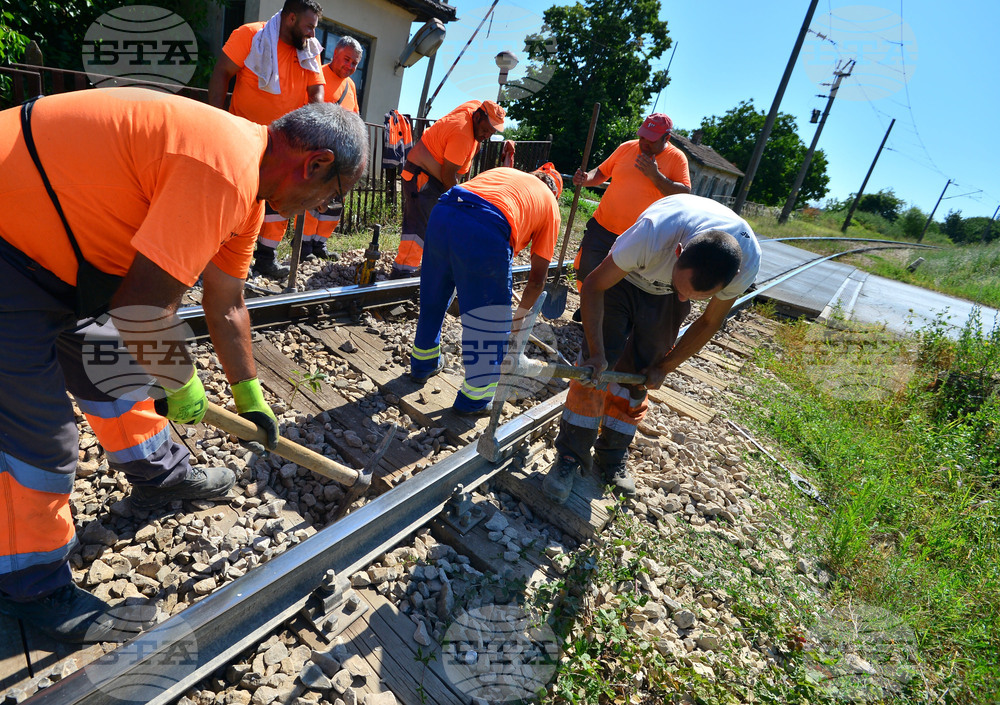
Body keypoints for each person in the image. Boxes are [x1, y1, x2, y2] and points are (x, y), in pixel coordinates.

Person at [0, 87, 367, 643]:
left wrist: (249, 395)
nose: (320, 209)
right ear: (315, 163)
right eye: (331, 195)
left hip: (57, 255)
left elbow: (228, 303)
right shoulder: (222, 168)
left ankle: (159, 475)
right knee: (37, 440)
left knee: (111, 363)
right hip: (11, 249)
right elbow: (142, 308)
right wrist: (181, 380)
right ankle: (30, 585)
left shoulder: (249, 189)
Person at [541, 194, 761, 503]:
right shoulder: (653, 233)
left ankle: (612, 453)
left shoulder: (746, 263)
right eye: (682, 289)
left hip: (663, 294)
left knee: (642, 374)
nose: (684, 301)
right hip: (623, 278)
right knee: (594, 370)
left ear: (733, 279)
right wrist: (597, 353)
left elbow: (709, 321)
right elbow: (594, 285)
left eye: (693, 298)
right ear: (678, 252)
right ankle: (569, 455)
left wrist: (665, 366)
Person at [409, 164, 562, 415]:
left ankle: (422, 363)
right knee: (488, 323)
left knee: (434, 296)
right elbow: (537, 280)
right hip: (486, 225)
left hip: (444, 210)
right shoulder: (550, 204)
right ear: (555, 193)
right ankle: (475, 399)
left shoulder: (504, 173)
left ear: (535, 175)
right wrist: (517, 321)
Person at [208, 0, 327, 279]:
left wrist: (314, 133)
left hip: (283, 143)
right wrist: (215, 121)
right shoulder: (251, 35)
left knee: (277, 201)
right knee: (234, 198)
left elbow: (316, 94)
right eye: (309, 26)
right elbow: (222, 72)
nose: (312, 34)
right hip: (242, 135)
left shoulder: (309, 50)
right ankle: (214, 257)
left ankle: (264, 258)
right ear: (291, 18)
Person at [570, 112, 691, 316]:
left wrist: (655, 175)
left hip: (637, 237)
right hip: (602, 225)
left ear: (666, 138)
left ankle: (601, 316)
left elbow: (684, 194)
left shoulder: (676, 158)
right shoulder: (626, 147)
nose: (644, 143)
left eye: (651, 140)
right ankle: (588, 306)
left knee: (618, 281)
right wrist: (586, 178)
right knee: (586, 268)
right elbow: (601, 172)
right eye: (642, 137)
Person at [389, 99, 506, 279]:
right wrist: (461, 202)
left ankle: (425, 270)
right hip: (423, 177)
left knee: (437, 226)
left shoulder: (474, 109)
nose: (486, 135)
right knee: (419, 228)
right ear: (477, 117)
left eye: (491, 132)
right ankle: (401, 273)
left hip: (432, 178)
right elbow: (448, 176)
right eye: (485, 130)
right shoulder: (462, 133)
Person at [301, 35, 363, 261]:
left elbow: (354, 117)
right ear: (335, 53)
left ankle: (320, 243)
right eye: (347, 59)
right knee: (313, 196)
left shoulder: (351, 85)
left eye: (354, 63)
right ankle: (304, 245)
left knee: (335, 198)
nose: (350, 66)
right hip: (317, 150)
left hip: (342, 155)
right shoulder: (318, 74)